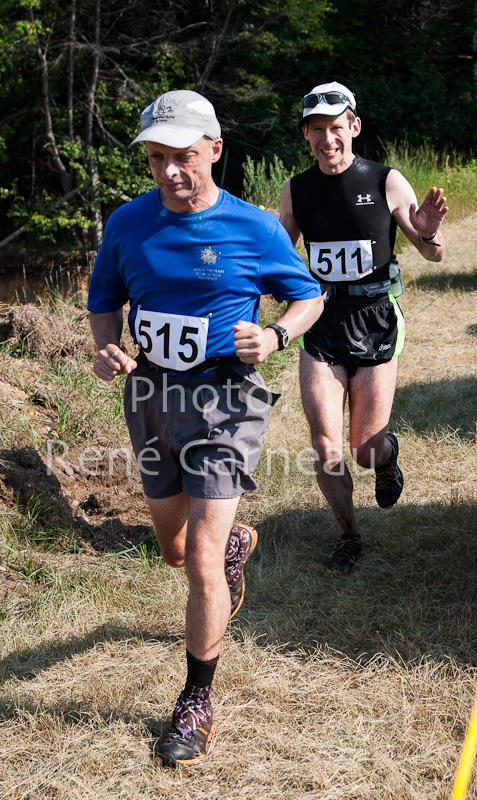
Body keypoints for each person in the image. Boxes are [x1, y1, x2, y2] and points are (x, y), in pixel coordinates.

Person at [87, 89, 323, 766]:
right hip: (152, 395)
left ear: (214, 150)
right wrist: (106, 347)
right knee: (173, 548)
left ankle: (195, 699)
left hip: (226, 396)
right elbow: (104, 299)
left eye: (182, 157)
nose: (168, 172)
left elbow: (307, 294)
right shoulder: (127, 223)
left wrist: (275, 335)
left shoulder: (252, 228)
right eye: (157, 158)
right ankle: (233, 547)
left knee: (196, 559)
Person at [279, 81, 448, 574]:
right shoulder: (297, 189)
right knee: (326, 446)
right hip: (322, 323)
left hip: (375, 320)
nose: (327, 139)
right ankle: (349, 534)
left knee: (365, 449)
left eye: (336, 128)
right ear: (306, 135)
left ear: (353, 127)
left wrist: (429, 229)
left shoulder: (385, 180)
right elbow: (276, 254)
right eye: (316, 130)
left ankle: (388, 461)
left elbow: (433, 254)